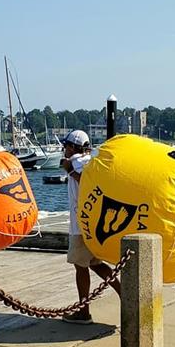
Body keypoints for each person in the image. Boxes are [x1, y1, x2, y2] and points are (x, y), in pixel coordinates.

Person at [60, 130, 121, 324]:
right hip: (92, 223)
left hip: (80, 225)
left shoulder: (76, 162)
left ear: (71, 147)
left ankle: (83, 311)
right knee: (96, 264)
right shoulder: (90, 161)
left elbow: (81, 178)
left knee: (81, 267)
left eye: (66, 146)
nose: (64, 150)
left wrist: (69, 169)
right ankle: (125, 294)